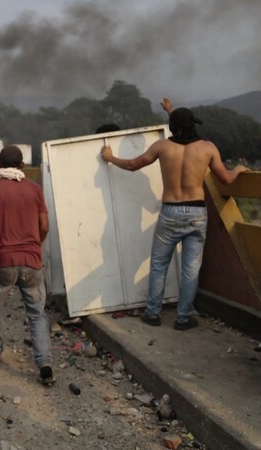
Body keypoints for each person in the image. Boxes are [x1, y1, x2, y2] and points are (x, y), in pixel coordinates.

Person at [100, 99, 249, 330]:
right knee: (191, 268)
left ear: (172, 127)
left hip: (170, 211)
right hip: (197, 212)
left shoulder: (162, 147)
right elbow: (226, 180)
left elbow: (132, 165)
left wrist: (110, 158)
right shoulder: (208, 148)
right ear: (193, 126)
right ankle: (183, 318)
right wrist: (238, 169)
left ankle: (152, 313)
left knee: (159, 264)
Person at [0, 145, 56, 386]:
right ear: (22, 166)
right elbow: (44, 226)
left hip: (3, 261)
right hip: (31, 260)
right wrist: (34, 244)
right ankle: (45, 362)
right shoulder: (35, 189)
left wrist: (0, 242)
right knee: (37, 314)